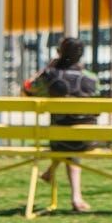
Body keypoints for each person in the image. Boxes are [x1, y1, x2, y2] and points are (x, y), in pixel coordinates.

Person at [23, 37, 98, 212]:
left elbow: (28, 89)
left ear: (59, 53)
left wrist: (48, 67)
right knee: (73, 136)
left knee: (65, 136)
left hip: (58, 138)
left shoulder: (51, 76)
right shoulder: (92, 79)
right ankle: (76, 197)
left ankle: (57, 179)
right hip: (87, 139)